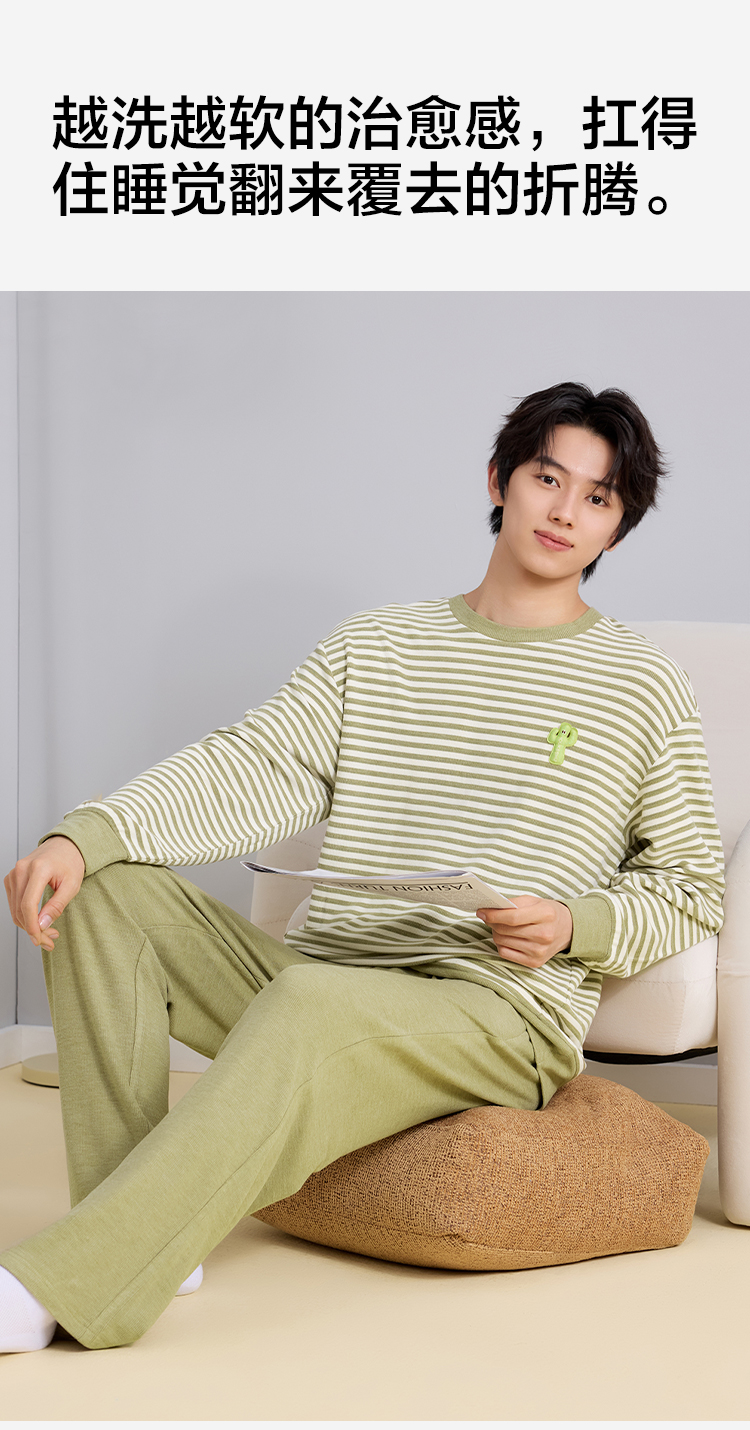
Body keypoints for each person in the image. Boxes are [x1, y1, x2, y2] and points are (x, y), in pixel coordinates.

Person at [1, 381, 724, 1352]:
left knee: (313, 1005)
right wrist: (84, 834)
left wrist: (573, 924)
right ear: (500, 480)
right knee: (108, 895)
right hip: (330, 975)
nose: (565, 511)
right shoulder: (377, 644)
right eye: (549, 478)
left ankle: (67, 1284)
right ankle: (140, 1234)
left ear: (617, 527)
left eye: (597, 497)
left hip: (493, 1009)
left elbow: (690, 884)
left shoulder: (640, 683)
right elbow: (253, 765)